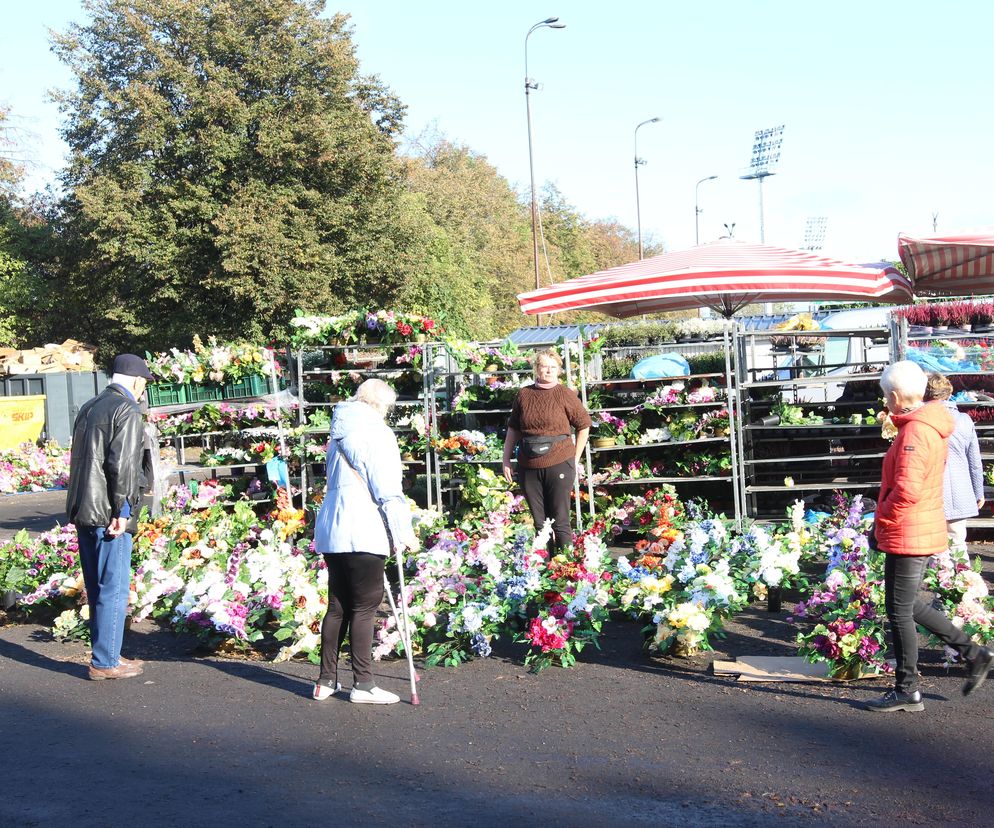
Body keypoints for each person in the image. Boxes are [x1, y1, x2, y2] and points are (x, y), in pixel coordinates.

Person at [866, 360, 994, 712]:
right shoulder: (924, 425)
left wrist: (881, 523)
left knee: (899, 610)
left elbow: (906, 490)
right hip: (915, 526)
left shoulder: (915, 432)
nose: (884, 403)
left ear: (894, 396)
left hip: (909, 529)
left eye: (884, 397)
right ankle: (974, 653)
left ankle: (908, 689)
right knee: (905, 604)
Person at [312, 379, 418, 705]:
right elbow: (387, 487)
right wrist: (403, 531)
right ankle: (364, 684)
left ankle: (325, 681)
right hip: (364, 527)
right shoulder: (377, 433)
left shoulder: (338, 431)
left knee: (337, 606)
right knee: (365, 606)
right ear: (380, 405)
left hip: (333, 527)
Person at [66, 354, 153, 681]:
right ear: (134, 380)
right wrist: (123, 511)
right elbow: (123, 465)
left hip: (83, 509)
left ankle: (107, 653)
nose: (144, 389)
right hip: (108, 512)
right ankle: (105, 662)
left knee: (97, 586)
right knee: (114, 588)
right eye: (144, 382)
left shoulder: (90, 406)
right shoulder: (127, 409)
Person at [502, 348, 591, 552]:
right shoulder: (524, 394)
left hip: (560, 461)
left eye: (553, 367)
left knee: (560, 522)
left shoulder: (564, 394)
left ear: (559, 370)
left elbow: (584, 425)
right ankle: (543, 570)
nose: (548, 371)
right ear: (536, 369)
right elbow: (513, 429)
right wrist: (506, 459)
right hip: (528, 465)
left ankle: (568, 569)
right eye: (544, 366)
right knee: (540, 524)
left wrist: (574, 459)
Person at [923, 372, 984, 548]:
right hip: (960, 491)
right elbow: (974, 462)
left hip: (930, 492)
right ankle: (962, 574)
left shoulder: (920, 420)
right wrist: (978, 491)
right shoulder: (964, 420)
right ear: (949, 394)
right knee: (957, 544)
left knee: (931, 547)